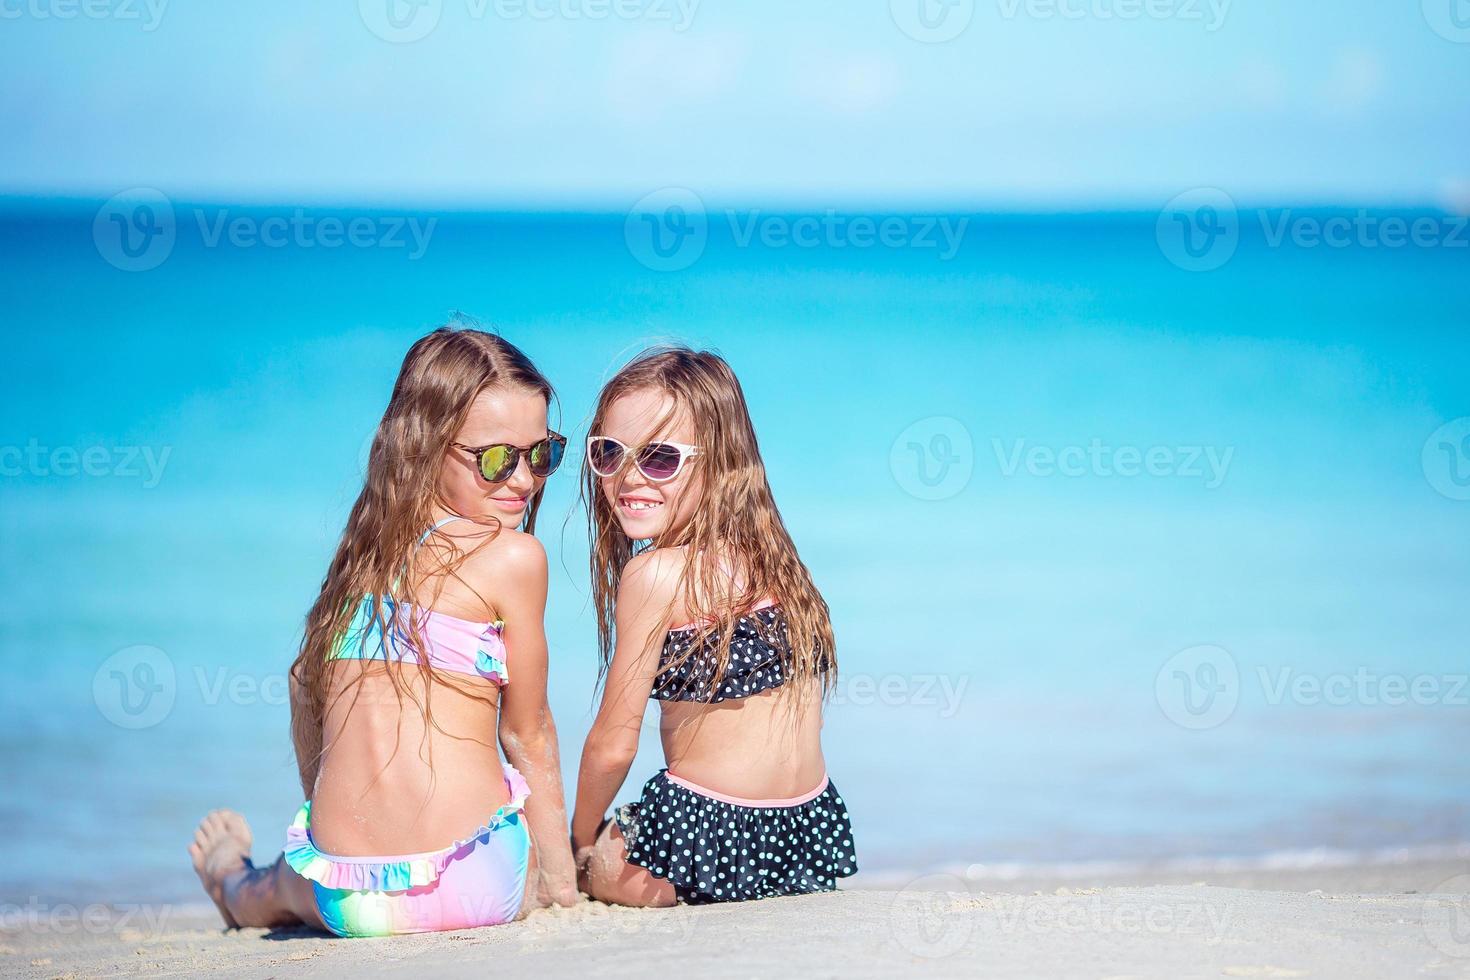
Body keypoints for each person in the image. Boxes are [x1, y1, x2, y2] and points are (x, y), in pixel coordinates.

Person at [189, 326, 578, 936]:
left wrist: (332, 822)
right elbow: (527, 732)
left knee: (275, 886)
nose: (524, 481)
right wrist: (559, 884)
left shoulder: (363, 565)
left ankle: (229, 879)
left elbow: (301, 685)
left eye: (542, 453)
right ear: (426, 448)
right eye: (497, 459)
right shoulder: (515, 557)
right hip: (469, 885)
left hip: (351, 898)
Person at [571, 347, 857, 906]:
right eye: (608, 453)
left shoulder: (655, 574)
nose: (627, 477)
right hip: (800, 835)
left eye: (659, 459)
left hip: (707, 837)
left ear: (719, 462)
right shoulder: (776, 559)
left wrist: (579, 844)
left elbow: (612, 746)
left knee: (573, 859)